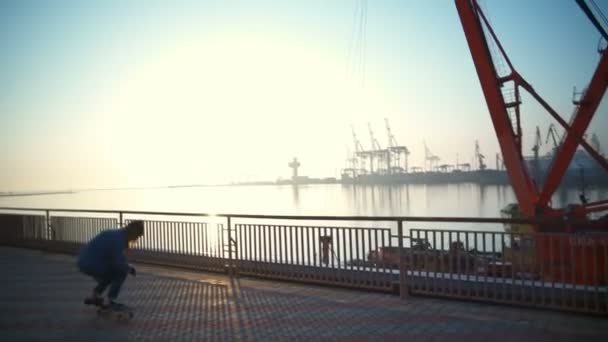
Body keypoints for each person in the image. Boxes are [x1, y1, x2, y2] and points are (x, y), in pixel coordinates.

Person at [77, 220, 144, 309]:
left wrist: (126, 266)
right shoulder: (119, 240)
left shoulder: (114, 234)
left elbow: (116, 258)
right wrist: (129, 269)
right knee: (121, 271)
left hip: (83, 261)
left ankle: (95, 295)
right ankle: (110, 300)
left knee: (111, 273)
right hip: (92, 263)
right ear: (133, 233)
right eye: (137, 236)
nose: (135, 239)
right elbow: (118, 262)